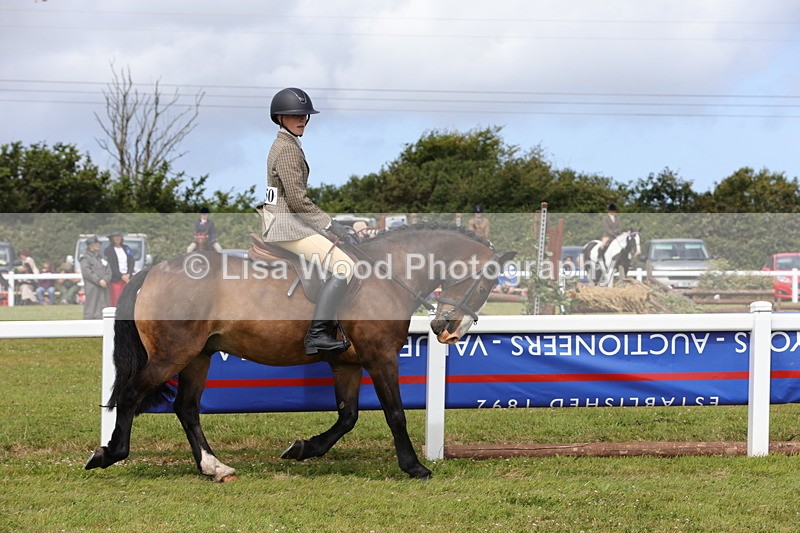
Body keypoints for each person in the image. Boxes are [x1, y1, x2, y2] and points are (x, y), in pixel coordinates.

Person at [261, 87, 355, 357]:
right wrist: (330, 225)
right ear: (280, 117)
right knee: (344, 266)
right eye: (295, 116)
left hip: (284, 220)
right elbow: (299, 201)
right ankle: (318, 335)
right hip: (287, 226)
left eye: (304, 115)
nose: (302, 120)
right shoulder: (288, 150)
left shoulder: (287, 144)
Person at [80, 235, 112, 319]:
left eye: (98, 244)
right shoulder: (85, 258)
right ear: (90, 245)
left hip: (104, 286)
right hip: (92, 286)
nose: (98, 245)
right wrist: (99, 280)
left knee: (104, 305)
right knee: (91, 306)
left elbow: (108, 270)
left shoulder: (102, 257)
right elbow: (87, 272)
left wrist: (105, 279)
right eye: (96, 243)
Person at [104, 230, 135, 307]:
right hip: (116, 279)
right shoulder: (108, 250)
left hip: (127, 278)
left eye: (119, 236)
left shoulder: (126, 248)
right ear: (112, 238)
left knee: (128, 298)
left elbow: (131, 261)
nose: (117, 238)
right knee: (116, 299)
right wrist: (121, 276)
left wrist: (128, 273)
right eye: (115, 237)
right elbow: (111, 265)